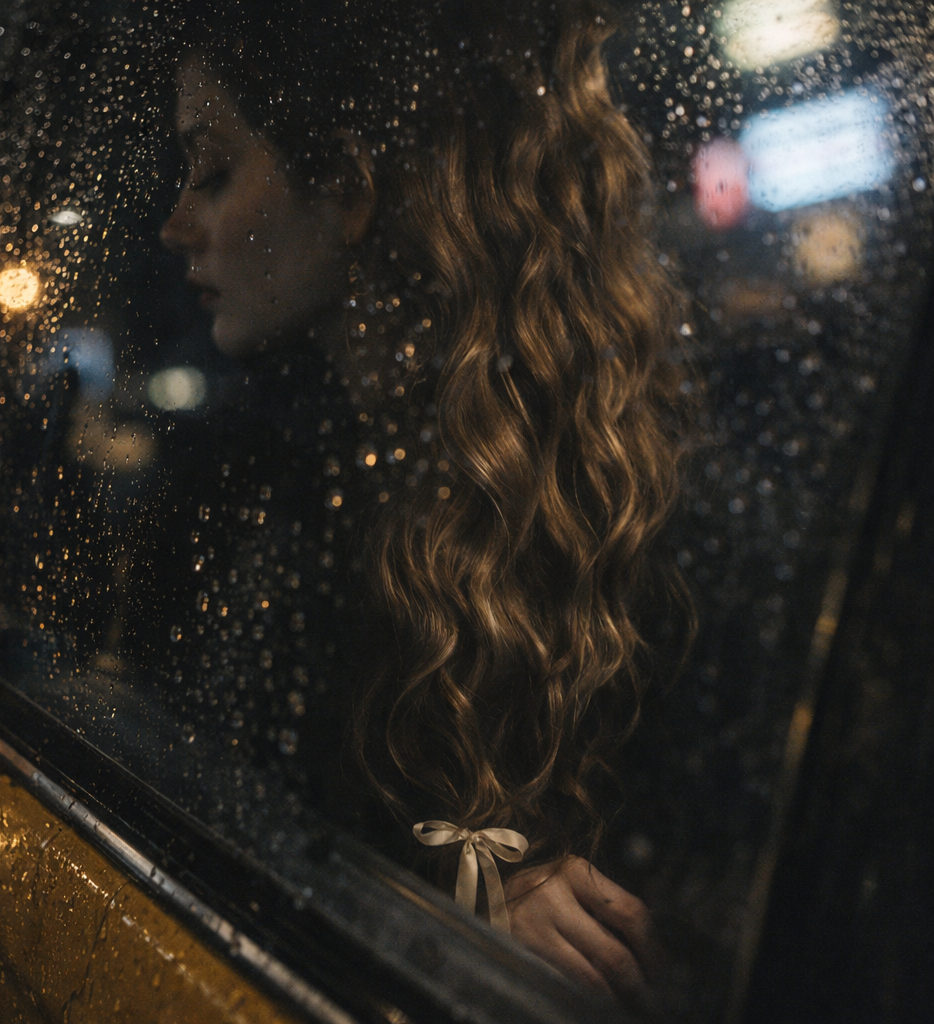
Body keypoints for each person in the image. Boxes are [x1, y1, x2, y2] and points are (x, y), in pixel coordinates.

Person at [159, 0, 689, 1014]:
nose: (177, 222)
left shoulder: (617, 508)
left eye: (214, 169)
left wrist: (483, 924)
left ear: (350, 186)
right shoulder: (285, 481)